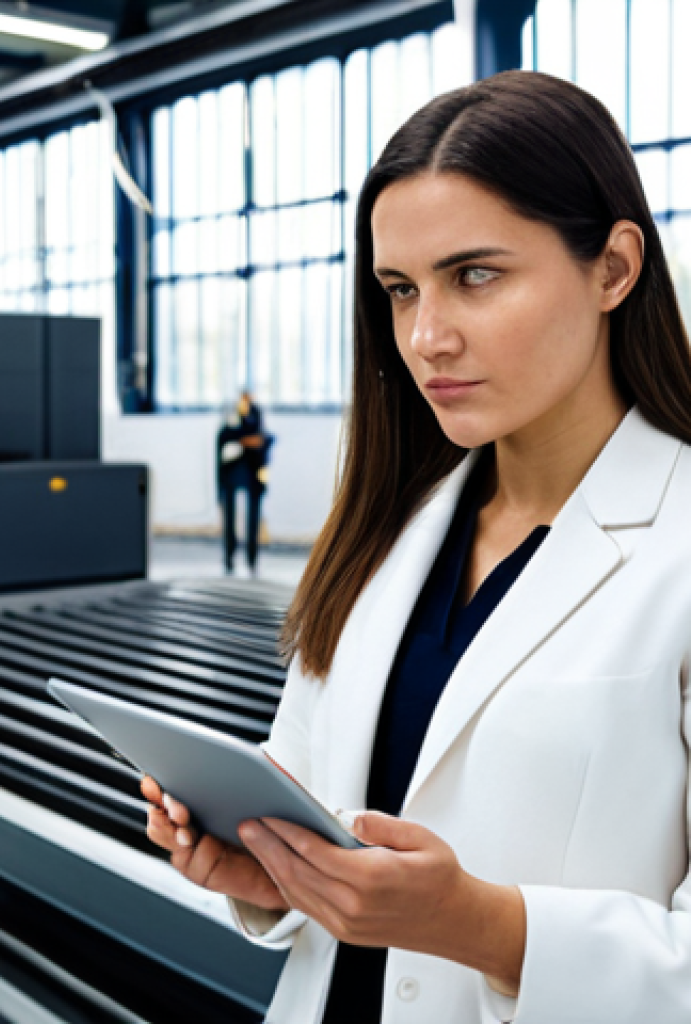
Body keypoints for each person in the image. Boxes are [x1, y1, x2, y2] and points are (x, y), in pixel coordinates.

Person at [143, 69, 691, 1024]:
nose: (426, 335)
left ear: (613, 268)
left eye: (475, 275)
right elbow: (316, 798)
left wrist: (482, 926)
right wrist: (268, 875)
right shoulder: (388, 531)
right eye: (400, 290)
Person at [217, 390, 272, 574]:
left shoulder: (257, 418)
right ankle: (229, 557)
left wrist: (263, 481)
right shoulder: (232, 419)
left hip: (252, 472)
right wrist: (245, 440)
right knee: (230, 516)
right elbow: (225, 438)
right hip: (232, 472)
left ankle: (251, 558)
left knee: (253, 516)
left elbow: (263, 443)